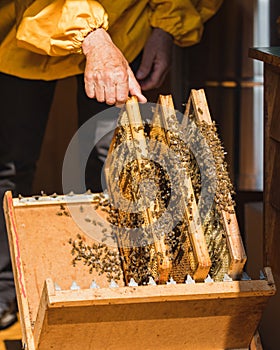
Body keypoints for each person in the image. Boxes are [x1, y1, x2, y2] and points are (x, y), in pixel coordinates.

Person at [0, 0, 223, 329]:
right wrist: (92, 37)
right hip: (29, 24)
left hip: (125, 30)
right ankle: (4, 290)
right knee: (10, 166)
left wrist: (165, 27)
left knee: (114, 170)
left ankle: (110, 292)